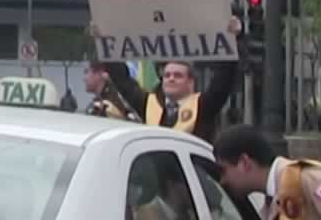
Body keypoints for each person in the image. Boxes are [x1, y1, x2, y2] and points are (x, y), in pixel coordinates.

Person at [96, 17, 241, 143]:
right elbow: (123, 81)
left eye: (178, 75)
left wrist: (232, 39)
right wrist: (103, 41)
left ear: (190, 82)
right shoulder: (149, 104)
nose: (171, 79)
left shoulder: (203, 106)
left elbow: (223, 81)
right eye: (167, 75)